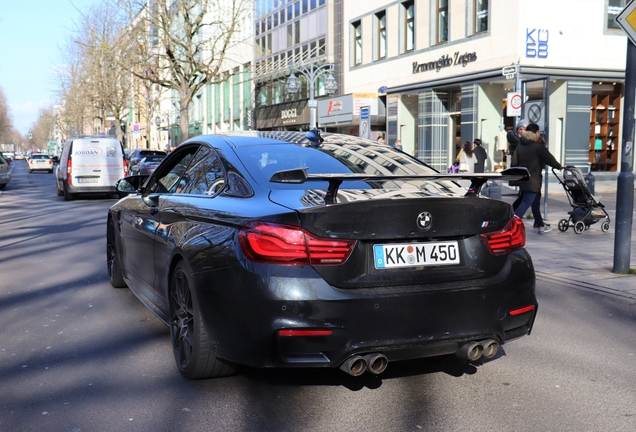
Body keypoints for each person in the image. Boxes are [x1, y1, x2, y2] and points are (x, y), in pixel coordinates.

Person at [512, 123, 563, 234]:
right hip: (533, 180)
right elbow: (549, 159)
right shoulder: (538, 146)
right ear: (536, 133)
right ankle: (511, 224)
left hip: (523, 178)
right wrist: (559, 166)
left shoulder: (520, 146)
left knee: (533, 201)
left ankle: (539, 224)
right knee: (526, 202)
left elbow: (514, 162)